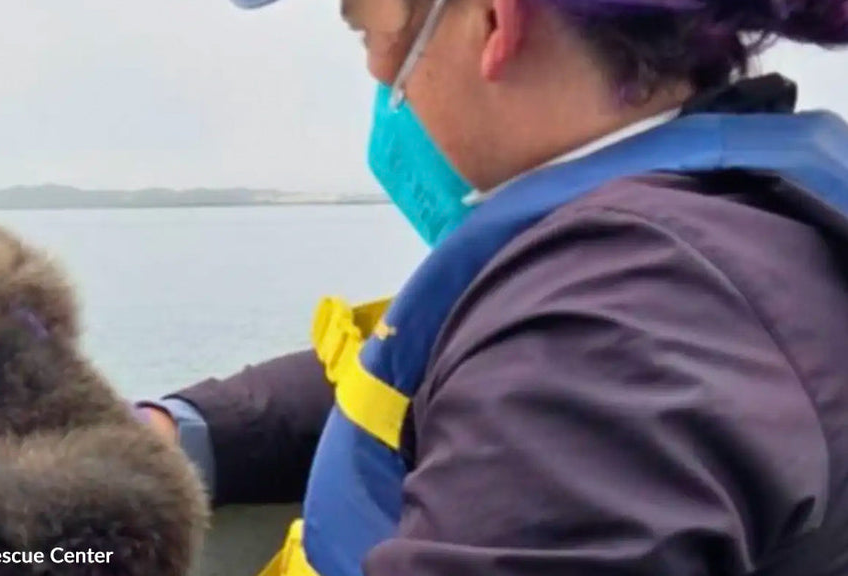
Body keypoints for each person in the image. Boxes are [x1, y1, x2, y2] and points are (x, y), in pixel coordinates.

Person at [138, 0, 848, 574]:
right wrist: (182, 433)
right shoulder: (703, 243)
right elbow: (429, 382)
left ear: (492, 21)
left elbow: (548, 391)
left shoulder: (608, 328)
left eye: (371, 32)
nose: (387, 83)